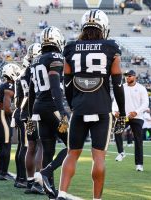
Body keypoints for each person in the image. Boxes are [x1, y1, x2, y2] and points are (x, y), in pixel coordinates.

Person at [57, 9, 126, 200]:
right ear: (103, 27)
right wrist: (122, 111)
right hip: (102, 108)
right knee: (99, 157)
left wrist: (73, 105)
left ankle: (62, 193)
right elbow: (118, 83)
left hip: (79, 107)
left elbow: (67, 83)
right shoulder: (111, 47)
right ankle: (97, 198)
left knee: (72, 154)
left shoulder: (70, 48)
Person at [29, 26, 68, 199]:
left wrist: (31, 114)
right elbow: (54, 85)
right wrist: (62, 110)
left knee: (48, 149)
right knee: (74, 145)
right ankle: (46, 171)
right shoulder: (55, 57)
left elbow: (31, 91)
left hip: (38, 107)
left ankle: (51, 193)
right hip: (51, 106)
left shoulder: (36, 60)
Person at [20, 47, 44, 195]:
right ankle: (38, 181)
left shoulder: (23, 73)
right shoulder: (38, 67)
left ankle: (29, 181)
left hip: (26, 111)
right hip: (37, 110)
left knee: (31, 146)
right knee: (41, 145)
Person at [113, 69, 149, 172]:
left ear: (135, 77)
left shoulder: (141, 88)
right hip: (124, 116)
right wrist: (114, 110)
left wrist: (136, 112)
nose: (127, 77)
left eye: (130, 76)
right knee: (117, 131)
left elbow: (145, 103)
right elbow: (115, 100)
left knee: (138, 140)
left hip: (137, 116)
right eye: (126, 76)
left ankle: (139, 164)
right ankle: (121, 152)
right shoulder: (122, 87)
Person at [0, 63, 21, 181]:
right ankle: (3, 172)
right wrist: (14, 116)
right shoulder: (9, 85)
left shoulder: (3, 84)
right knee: (6, 145)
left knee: (3, 145)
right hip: (3, 114)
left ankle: (0, 172)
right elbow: (7, 107)